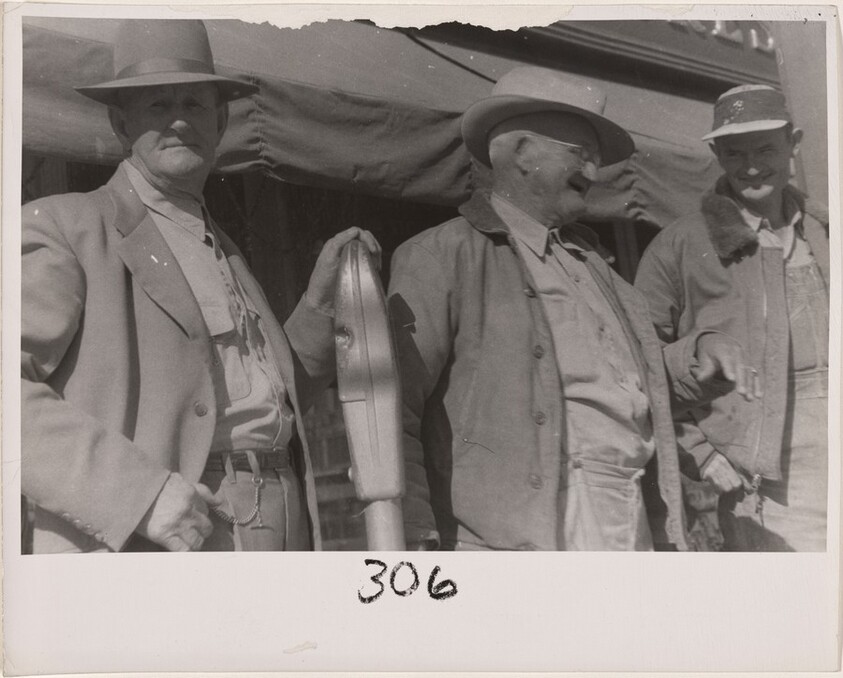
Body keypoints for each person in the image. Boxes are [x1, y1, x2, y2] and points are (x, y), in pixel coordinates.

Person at [22, 19, 380, 553]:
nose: (178, 121)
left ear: (220, 121)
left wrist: (320, 304)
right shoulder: (65, 226)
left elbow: (265, 405)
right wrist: (139, 496)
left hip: (278, 519)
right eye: (156, 106)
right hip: (160, 541)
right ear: (122, 125)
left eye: (193, 104)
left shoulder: (221, 247)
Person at [388, 67, 743, 551]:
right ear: (522, 154)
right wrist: (414, 535)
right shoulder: (443, 256)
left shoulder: (594, 265)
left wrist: (698, 357)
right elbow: (392, 408)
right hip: (534, 527)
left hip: (628, 509)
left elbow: (631, 382)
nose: (594, 173)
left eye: (596, 159)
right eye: (580, 155)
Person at [635, 85, 829, 551]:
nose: (752, 166)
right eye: (735, 152)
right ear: (716, 154)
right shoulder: (679, 245)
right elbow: (637, 362)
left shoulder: (827, 230)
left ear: (794, 145)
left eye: (765, 148)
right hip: (768, 481)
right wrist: (699, 453)